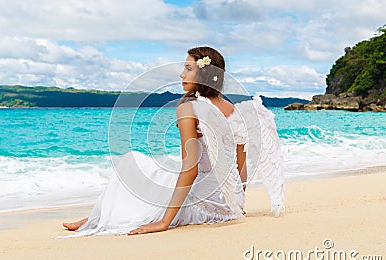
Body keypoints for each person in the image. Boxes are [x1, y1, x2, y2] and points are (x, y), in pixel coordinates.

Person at [61, 46, 285, 237]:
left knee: (132, 160)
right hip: (228, 205)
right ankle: (96, 216)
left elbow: (191, 169)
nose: (181, 75)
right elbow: (240, 166)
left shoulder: (189, 107)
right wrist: (236, 202)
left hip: (201, 203)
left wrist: (163, 223)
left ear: (205, 75)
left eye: (188, 69)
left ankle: (98, 218)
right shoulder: (236, 110)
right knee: (157, 175)